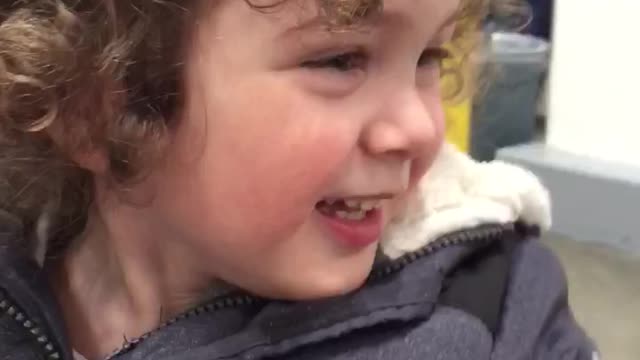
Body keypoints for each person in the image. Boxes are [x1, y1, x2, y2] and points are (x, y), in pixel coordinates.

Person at [0, 1, 597, 359]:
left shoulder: (495, 310)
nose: (420, 129)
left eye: (428, 58)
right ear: (101, 108)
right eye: (340, 60)